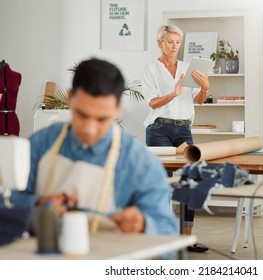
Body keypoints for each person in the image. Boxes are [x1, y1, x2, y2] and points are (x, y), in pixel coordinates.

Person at [21, 58, 177, 240]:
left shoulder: (140, 162)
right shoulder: (41, 143)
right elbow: (6, 202)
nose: (90, 128)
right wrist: (36, 204)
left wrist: (144, 225)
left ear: (118, 108)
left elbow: (167, 232)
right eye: (82, 115)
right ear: (70, 98)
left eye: (101, 119)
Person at [142, 24, 210, 252]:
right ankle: (164, 239)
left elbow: (198, 101)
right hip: (159, 129)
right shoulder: (151, 69)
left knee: (192, 178)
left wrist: (205, 88)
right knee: (163, 183)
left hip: (183, 130)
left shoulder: (186, 68)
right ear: (160, 43)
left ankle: (186, 238)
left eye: (177, 42)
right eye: (169, 42)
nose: (174, 46)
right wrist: (173, 93)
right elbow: (152, 103)